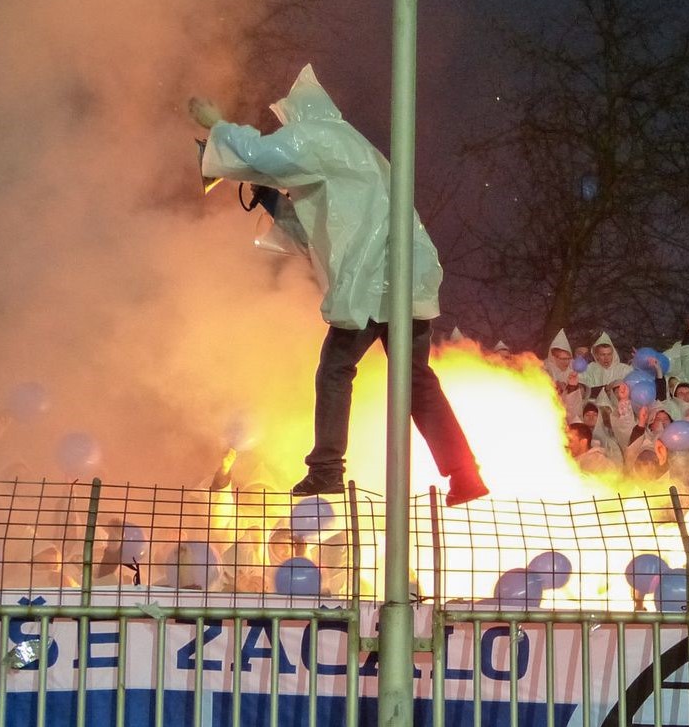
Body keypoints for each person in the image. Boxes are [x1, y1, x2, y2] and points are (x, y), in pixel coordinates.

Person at [190, 67, 487, 505]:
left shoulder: (322, 137)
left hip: (372, 279)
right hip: (402, 276)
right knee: (416, 380)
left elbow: (262, 155)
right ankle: (465, 473)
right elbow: (321, 232)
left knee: (335, 370)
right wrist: (271, 198)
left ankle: (327, 468)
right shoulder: (353, 155)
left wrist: (218, 124)